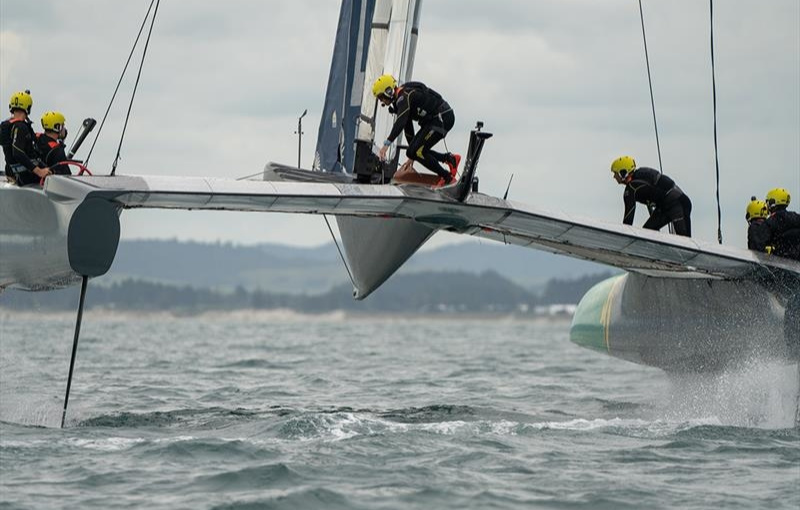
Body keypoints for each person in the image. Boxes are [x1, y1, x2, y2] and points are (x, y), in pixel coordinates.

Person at [372, 74, 461, 186]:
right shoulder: (399, 101)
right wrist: (412, 155)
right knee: (414, 151)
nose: (382, 102)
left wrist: (386, 145)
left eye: (381, 97)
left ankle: (448, 178)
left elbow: (401, 122)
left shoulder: (404, 97)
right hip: (432, 121)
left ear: (388, 91)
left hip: (443, 118)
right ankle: (450, 159)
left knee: (418, 151)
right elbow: (407, 127)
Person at [610, 156, 692, 237]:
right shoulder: (640, 177)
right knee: (648, 232)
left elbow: (628, 217)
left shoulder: (632, 187)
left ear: (623, 173)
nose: (614, 177)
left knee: (685, 242)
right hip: (666, 206)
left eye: (615, 173)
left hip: (678, 204)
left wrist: (622, 236)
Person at [0, 90, 49, 186]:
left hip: (15, 174)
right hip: (28, 177)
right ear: (28, 107)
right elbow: (17, 153)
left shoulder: (7, 126)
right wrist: (39, 171)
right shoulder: (21, 127)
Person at [750, 188, 800, 261]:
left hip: (778, 265)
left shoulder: (770, 222)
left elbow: (757, 247)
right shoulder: (797, 217)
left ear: (772, 203)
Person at [36, 111, 71, 175]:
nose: (64, 129)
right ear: (57, 127)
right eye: (63, 125)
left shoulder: (36, 137)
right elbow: (66, 174)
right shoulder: (57, 150)